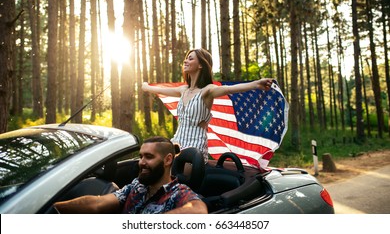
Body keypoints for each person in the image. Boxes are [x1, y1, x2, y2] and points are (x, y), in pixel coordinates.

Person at [142, 48, 273, 164]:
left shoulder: (207, 90)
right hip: (176, 143)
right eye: (186, 58)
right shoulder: (183, 90)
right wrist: (147, 87)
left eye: (190, 58)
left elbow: (229, 89)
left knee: (177, 178)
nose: (185, 61)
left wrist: (256, 84)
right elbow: (160, 90)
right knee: (154, 166)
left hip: (195, 148)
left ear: (200, 65)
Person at [53, 136, 208, 214]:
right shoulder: (136, 186)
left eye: (149, 157)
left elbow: (199, 210)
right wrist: (54, 208)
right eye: (141, 157)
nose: (141, 162)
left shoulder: (178, 192)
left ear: (167, 160)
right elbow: (97, 203)